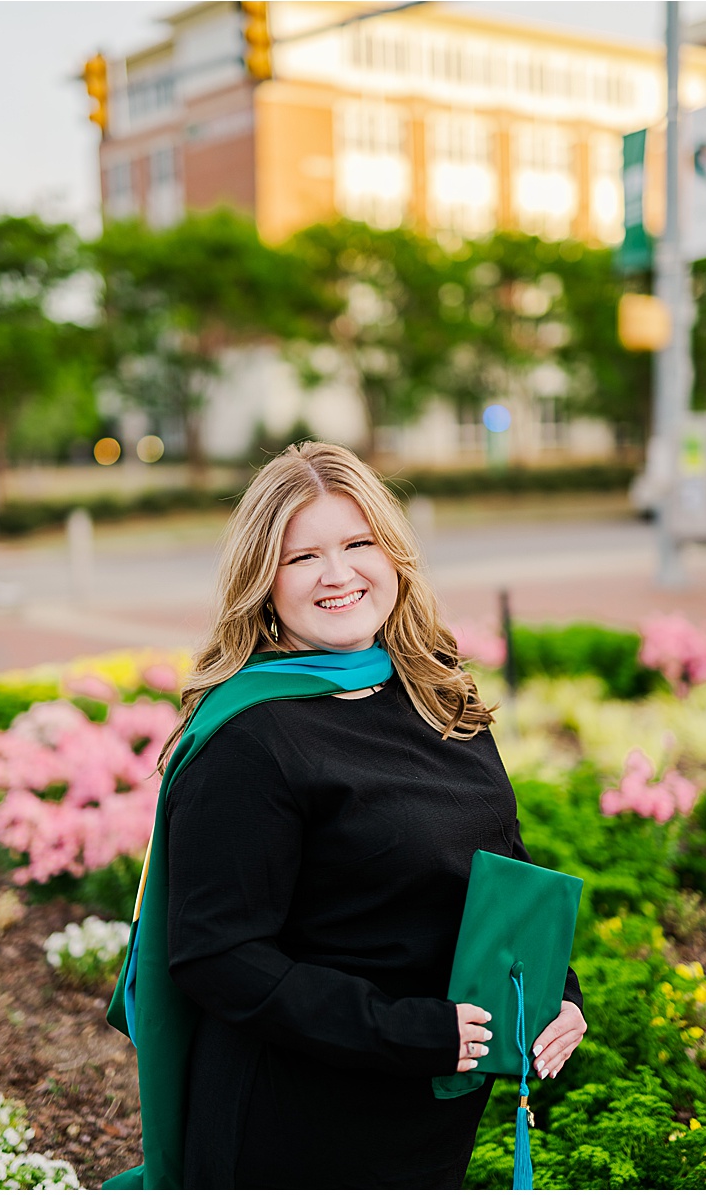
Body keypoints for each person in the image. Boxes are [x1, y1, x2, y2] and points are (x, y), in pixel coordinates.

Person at [109, 442, 588, 1189]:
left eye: (358, 543)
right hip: (298, 1129)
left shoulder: (438, 694)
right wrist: (410, 1030)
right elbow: (218, 956)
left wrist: (556, 992)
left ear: (393, 555)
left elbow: (499, 864)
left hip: (423, 1115)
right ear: (263, 583)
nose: (338, 574)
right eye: (303, 557)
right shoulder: (250, 739)